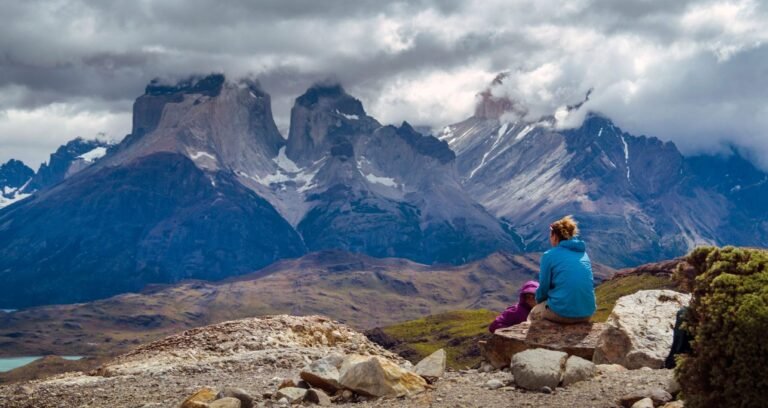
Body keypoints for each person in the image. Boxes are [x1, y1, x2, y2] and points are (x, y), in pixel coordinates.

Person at [529, 215, 596, 324]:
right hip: (587, 313)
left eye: (550, 235)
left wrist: (540, 303)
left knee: (533, 314)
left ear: (554, 236)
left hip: (562, 313)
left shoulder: (549, 256)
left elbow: (544, 288)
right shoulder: (583, 254)